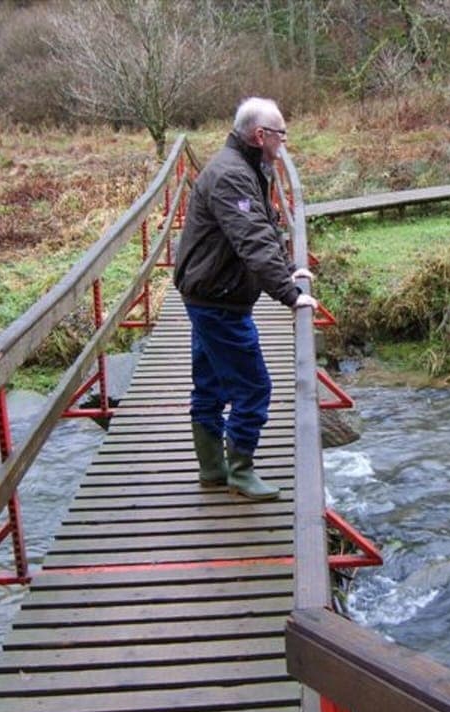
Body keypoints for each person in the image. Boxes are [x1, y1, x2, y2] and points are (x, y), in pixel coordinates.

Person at [173, 97, 317, 500]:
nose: (284, 142)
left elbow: (264, 224)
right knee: (253, 387)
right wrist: (290, 295)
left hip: (209, 293)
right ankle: (240, 469)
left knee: (210, 385)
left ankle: (212, 469)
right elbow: (252, 239)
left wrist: (289, 268)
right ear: (260, 135)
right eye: (281, 134)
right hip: (218, 299)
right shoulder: (232, 174)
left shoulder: (249, 167)